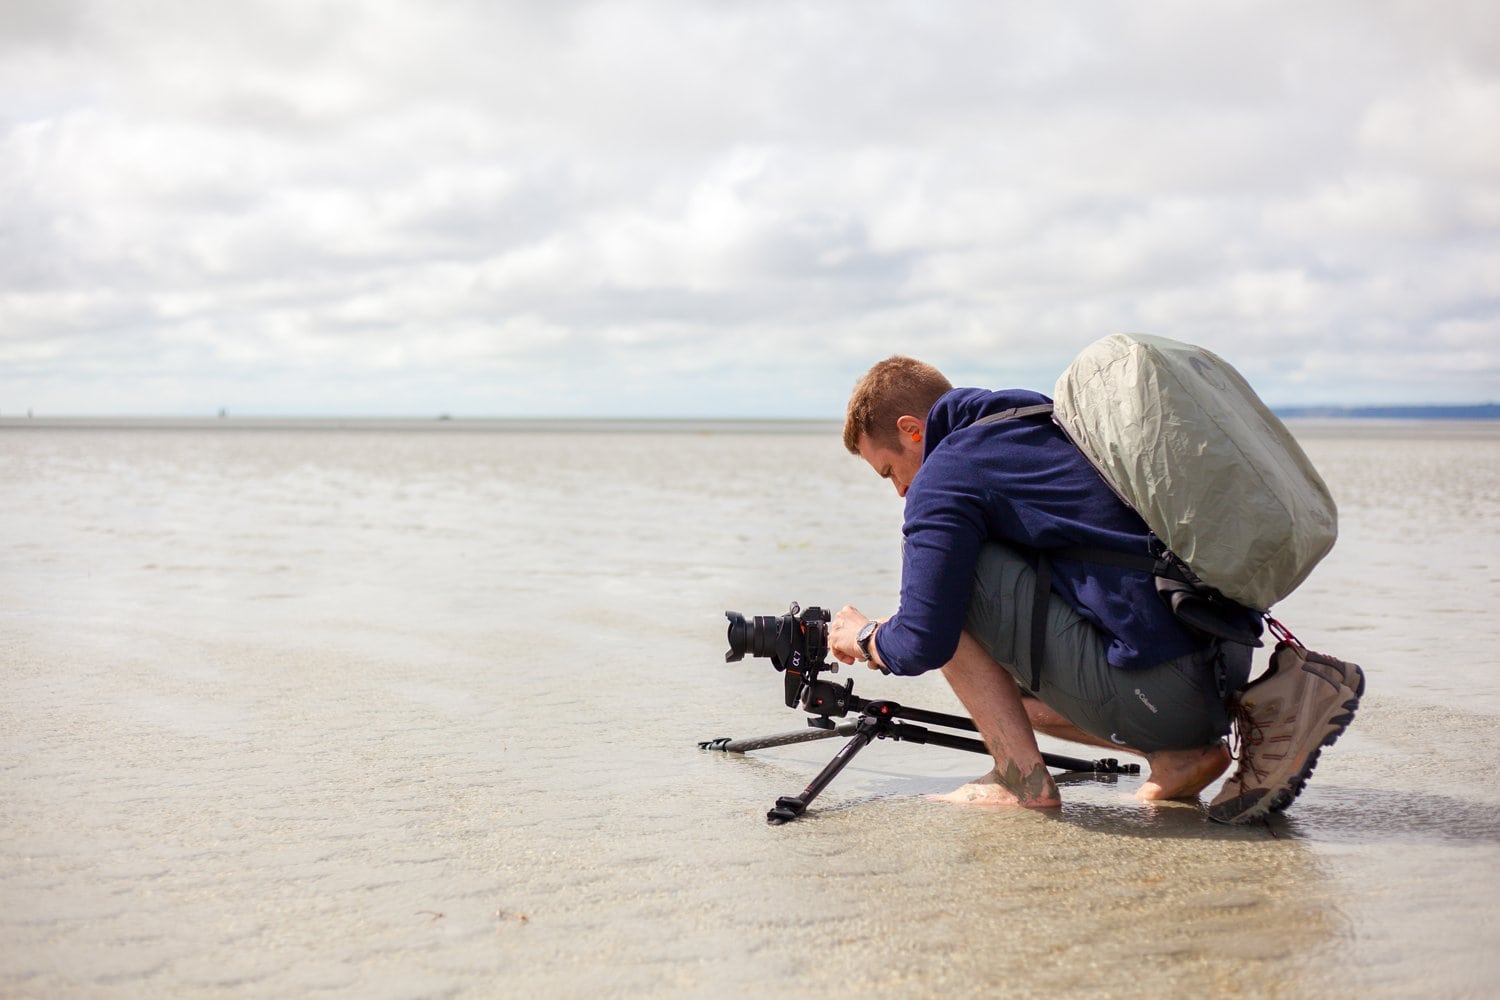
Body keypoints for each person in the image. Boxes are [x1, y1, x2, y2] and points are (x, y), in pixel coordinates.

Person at [826, 356, 1363, 822]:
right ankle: (1180, 758)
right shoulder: (1043, 422)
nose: (901, 491)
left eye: (890, 470)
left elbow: (924, 641)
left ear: (913, 429)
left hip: (1165, 690)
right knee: (1009, 704)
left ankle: (1022, 783)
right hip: (1221, 667)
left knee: (943, 577)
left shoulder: (946, 475)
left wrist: (865, 636)